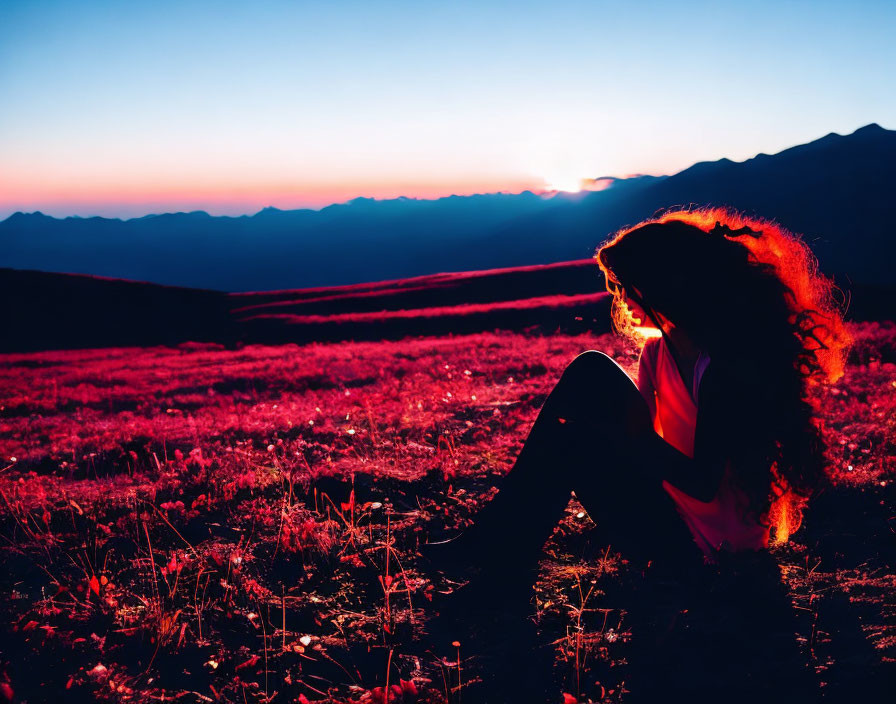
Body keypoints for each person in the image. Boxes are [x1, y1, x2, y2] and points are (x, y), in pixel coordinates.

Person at [421, 207, 852, 702]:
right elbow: (641, 447)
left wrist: (627, 439)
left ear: (665, 284)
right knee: (577, 423)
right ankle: (505, 570)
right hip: (671, 517)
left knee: (590, 373)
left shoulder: (721, 369)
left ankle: (497, 551)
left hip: (709, 549)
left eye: (626, 287)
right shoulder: (658, 353)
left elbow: (701, 482)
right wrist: (612, 438)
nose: (621, 300)